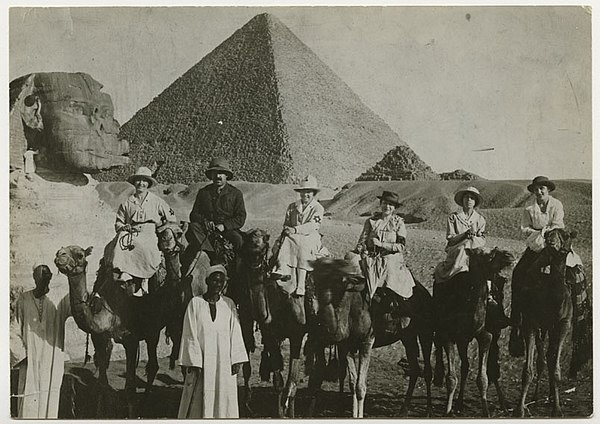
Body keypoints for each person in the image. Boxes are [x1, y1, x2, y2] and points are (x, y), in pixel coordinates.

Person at [177, 265, 249, 418]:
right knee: (200, 400)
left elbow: (235, 332)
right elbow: (190, 333)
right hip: (202, 362)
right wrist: (195, 362)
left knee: (224, 399)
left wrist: (237, 359)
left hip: (224, 362)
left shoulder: (229, 304)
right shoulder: (195, 303)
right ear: (207, 281)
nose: (218, 284)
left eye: (221, 281)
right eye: (215, 280)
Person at [509, 176, 569, 353]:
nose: (539, 191)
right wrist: (540, 232)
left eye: (542, 188)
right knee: (519, 273)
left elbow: (558, 224)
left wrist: (545, 232)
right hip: (535, 246)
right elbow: (524, 229)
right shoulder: (529, 209)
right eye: (536, 189)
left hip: (554, 244)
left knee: (574, 269)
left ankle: (578, 310)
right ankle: (516, 319)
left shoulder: (556, 205)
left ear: (548, 190)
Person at [14, 264, 71, 418]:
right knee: (28, 397)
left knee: (49, 398)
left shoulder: (59, 300)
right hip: (30, 359)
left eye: (47, 275)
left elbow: (79, 301)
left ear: (51, 277)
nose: (44, 278)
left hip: (51, 360)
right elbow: (14, 329)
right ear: (34, 278)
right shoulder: (23, 299)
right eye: (41, 275)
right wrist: (23, 356)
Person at [109, 166, 177, 296]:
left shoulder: (157, 201)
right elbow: (119, 221)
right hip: (132, 232)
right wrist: (124, 227)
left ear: (149, 183)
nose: (141, 183)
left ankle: (145, 277)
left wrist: (162, 228)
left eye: (144, 181)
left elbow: (171, 216)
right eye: (138, 180)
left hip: (149, 232)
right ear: (134, 183)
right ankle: (124, 273)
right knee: (121, 240)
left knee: (147, 248)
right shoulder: (127, 202)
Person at [184, 157, 247, 268]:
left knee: (239, 241)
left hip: (227, 230)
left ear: (226, 175)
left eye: (221, 173)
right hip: (206, 230)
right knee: (193, 227)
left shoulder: (236, 193)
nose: (218, 176)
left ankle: (238, 273)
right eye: (215, 173)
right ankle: (210, 254)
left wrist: (225, 225)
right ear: (211, 175)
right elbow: (194, 214)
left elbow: (241, 217)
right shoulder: (204, 192)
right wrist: (205, 222)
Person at [355, 190, 415, 300]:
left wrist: (381, 244)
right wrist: (362, 249)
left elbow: (401, 246)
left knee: (390, 274)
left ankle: (393, 303)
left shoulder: (398, 222)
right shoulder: (371, 221)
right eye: (384, 203)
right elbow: (362, 240)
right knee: (351, 264)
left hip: (390, 257)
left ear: (394, 207)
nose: (387, 206)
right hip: (370, 256)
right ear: (380, 204)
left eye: (391, 204)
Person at [434, 186, 486, 284]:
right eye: (466, 197)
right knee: (463, 247)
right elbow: (451, 239)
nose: (469, 200)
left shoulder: (480, 219)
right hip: (456, 248)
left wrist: (474, 237)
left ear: (475, 202)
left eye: (472, 198)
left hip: (475, 248)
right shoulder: (454, 217)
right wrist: (464, 235)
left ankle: (489, 292)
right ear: (462, 200)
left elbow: (482, 238)